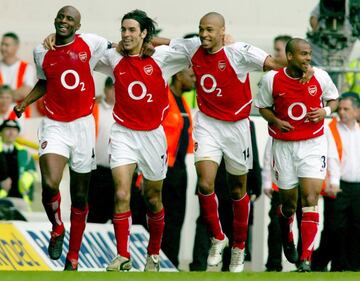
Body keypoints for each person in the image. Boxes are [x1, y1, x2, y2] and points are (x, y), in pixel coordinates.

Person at [155, 12, 312, 272]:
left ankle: (238, 245)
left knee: (237, 190)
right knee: (205, 183)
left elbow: (273, 63)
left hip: (236, 127)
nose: (204, 34)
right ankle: (218, 237)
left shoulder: (238, 52)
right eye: (201, 29)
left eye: (210, 30)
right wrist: (144, 38)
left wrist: (304, 70)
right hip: (207, 124)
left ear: (222, 32)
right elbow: (169, 42)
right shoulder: (193, 47)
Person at [13, 5, 111, 271]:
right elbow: (45, 82)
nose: (64, 21)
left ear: (78, 26)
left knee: (79, 196)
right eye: (61, 17)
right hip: (54, 125)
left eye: (70, 19)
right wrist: (25, 103)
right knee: (50, 183)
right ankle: (57, 227)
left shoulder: (91, 43)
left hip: (82, 126)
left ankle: (73, 257)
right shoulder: (41, 51)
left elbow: (120, 48)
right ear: (55, 20)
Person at [94, 10, 189, 272]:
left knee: (152, 197)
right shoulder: (113, 57)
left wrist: (159, 42)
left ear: (144, 33)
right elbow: (84, 47)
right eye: (123, 29)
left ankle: (153, 254)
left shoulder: (161, 58)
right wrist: (52, 39)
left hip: (152, 136)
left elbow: (192, 46)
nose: (126, 34)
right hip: (123, 133)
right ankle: (123, 255)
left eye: (132, 30)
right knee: (122, 193)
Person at [255, 38, 339, 272]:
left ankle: (305, 258)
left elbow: (334, 99)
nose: (308, 58)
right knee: (289, 205)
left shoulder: (319, 76)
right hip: (284, 146)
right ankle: (286, 234)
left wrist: (324, 111)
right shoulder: (272, 79)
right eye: (303, 54)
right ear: (290, 56)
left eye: (309, 54)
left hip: (312, 144)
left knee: (311, 199)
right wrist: (275, 120)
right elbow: (262, 107)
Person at [161, 67, 195, 268]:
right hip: (164, 168)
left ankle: (171, 262)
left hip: (180, 169)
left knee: (177, 219)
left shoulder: (183, 101)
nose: (195, 80)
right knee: (162, 218)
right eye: (191, 76)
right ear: (178, 75)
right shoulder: (164, 97)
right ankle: (159, 259)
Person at [325, 92, 360, 271]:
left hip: (358, 187)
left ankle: (354, 266)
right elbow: (332, 160)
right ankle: (336, 265)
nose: (342, 112)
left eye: (347, 109)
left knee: (356, 227)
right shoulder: (331, 129)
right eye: (340, 109)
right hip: (339, 186)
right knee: (336, 227)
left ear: (357, 111)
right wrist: (333, 183)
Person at [87, 77, 115, 223]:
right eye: (112, 88)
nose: (115, 92)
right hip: (96, 170)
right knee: (95, 213)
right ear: (106, 89)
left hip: (117, 172)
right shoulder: (94, 108)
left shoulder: (125, 111)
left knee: (117, 214)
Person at [0, 119, 37, 207]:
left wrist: (26, 179)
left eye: (14, 129)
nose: (11, 132)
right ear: (1, 132)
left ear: (18, 133)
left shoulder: (25, 153)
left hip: (20, 199)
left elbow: (33, 172)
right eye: (8, 129)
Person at [0, 32, 36, 117]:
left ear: (16, 47)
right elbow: (21, 92)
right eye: (2, 44)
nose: (2, 48)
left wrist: (3, 96)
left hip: (21, 117)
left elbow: (27, 92)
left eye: (6, 45)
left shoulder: (27, 67)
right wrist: (16, 94)